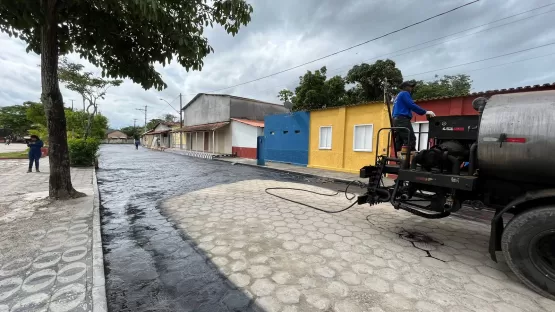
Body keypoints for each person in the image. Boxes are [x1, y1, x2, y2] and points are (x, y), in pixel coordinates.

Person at [392, 81, 435, 152]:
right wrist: (425, 112)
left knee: (399, 141)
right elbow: (411, 105)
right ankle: (410, 160)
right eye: (410, 87)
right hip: (402, 119)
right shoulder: (404, 93)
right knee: (411, 139)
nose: (411, 88)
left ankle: (400, 159)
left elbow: (394, 110)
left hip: (396, 120)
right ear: (405, 87)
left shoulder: (398, 96)